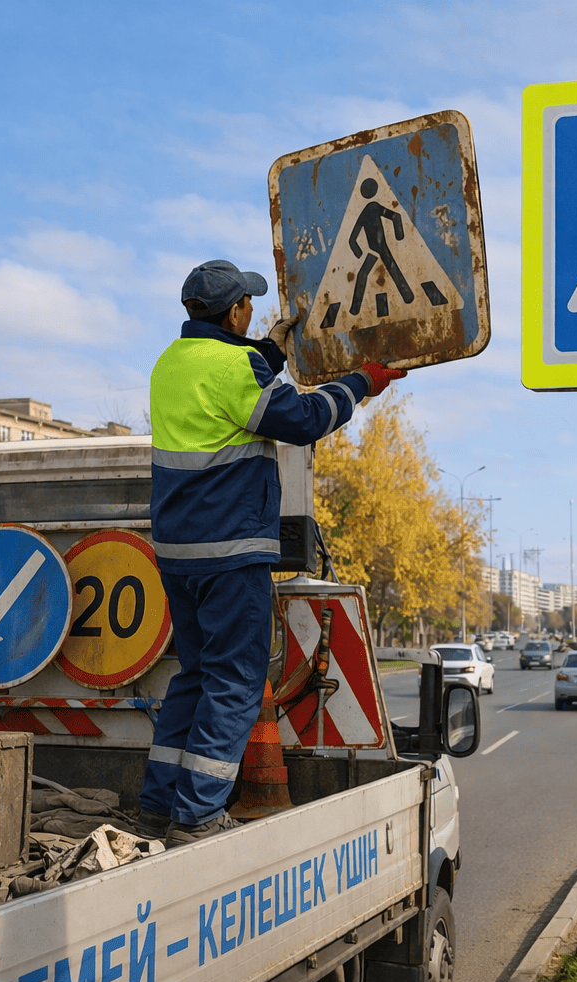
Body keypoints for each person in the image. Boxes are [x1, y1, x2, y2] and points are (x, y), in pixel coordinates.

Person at [140, 259, 405, 845]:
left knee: (196, 675)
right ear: (234, 311)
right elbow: (301, 418)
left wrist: (270, 351)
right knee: (235, 680)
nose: (255, 311)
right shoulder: (237, 368)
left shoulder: (169, 364)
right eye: (249, 305)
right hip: (229, 551)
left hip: (177, 553)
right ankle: (197, 814)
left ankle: (159, 804)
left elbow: (229, 393)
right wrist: (363, 382)